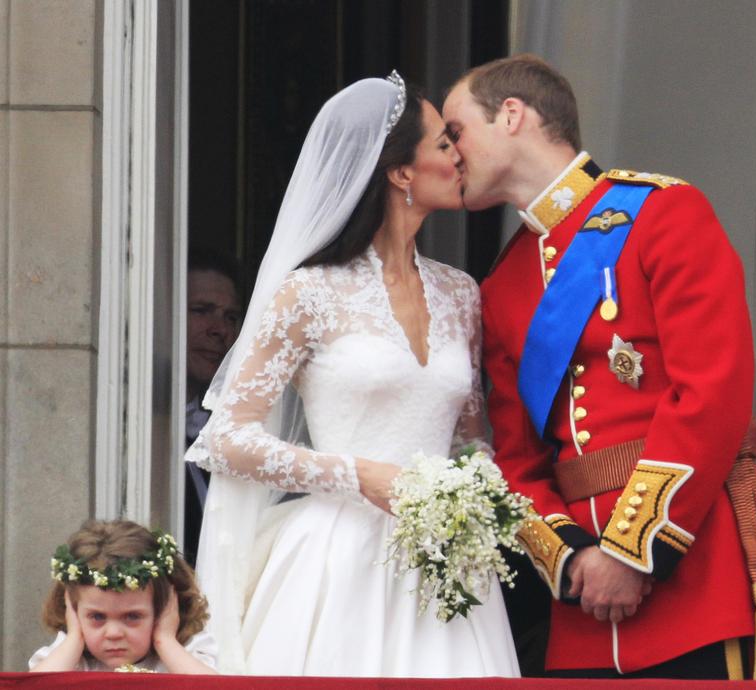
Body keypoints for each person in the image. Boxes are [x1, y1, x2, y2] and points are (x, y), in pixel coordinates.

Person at [442, 54, 756, 679]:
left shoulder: (663, 212)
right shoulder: (502, 285)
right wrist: (574, 557)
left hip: (697, 577)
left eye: (456, 131)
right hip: (583, 610)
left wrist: (633, 552)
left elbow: (711, 395)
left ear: (511, 115)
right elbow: (517, 461)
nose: (449, 153)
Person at [186, 72, 519, 677]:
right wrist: (356, 474)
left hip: (447, 566)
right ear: (400, 173)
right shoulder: (308, 293)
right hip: (338, 560)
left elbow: (469, 435)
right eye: (443, 143)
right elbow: (228, 438)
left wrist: (475, 491)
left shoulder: (461, 293)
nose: (459, 155)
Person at [29, 519, 217, 674]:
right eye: (97, 617)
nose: (113, 633)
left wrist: (165, 641)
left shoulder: (185, 653)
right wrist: (74, 639)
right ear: (73, 612)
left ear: (165, 610)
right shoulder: (69, 658)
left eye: (132, 616)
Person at [185, 247, 242, 566]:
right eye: (202, 310)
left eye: (230, 317)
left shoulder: (234, 432)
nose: (219, 330)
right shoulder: (134, 428)